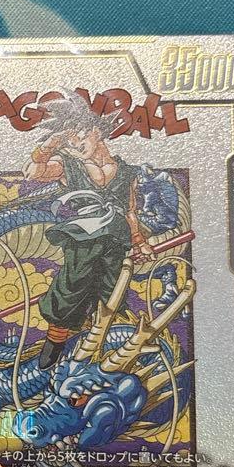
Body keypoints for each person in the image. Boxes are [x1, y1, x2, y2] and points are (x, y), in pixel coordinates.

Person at [24, 100, 151, 369]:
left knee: (112, 291)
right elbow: (33, 172)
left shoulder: (126, 171)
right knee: (71, 286)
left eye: (79, 135)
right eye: (69, 140)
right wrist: (50, 145)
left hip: (116, 240)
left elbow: (130, 211)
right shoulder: (68, 165)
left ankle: (99, 345)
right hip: (84, 237)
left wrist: (139, 242)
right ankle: (55, 341)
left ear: (96, 130)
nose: (76, 144)